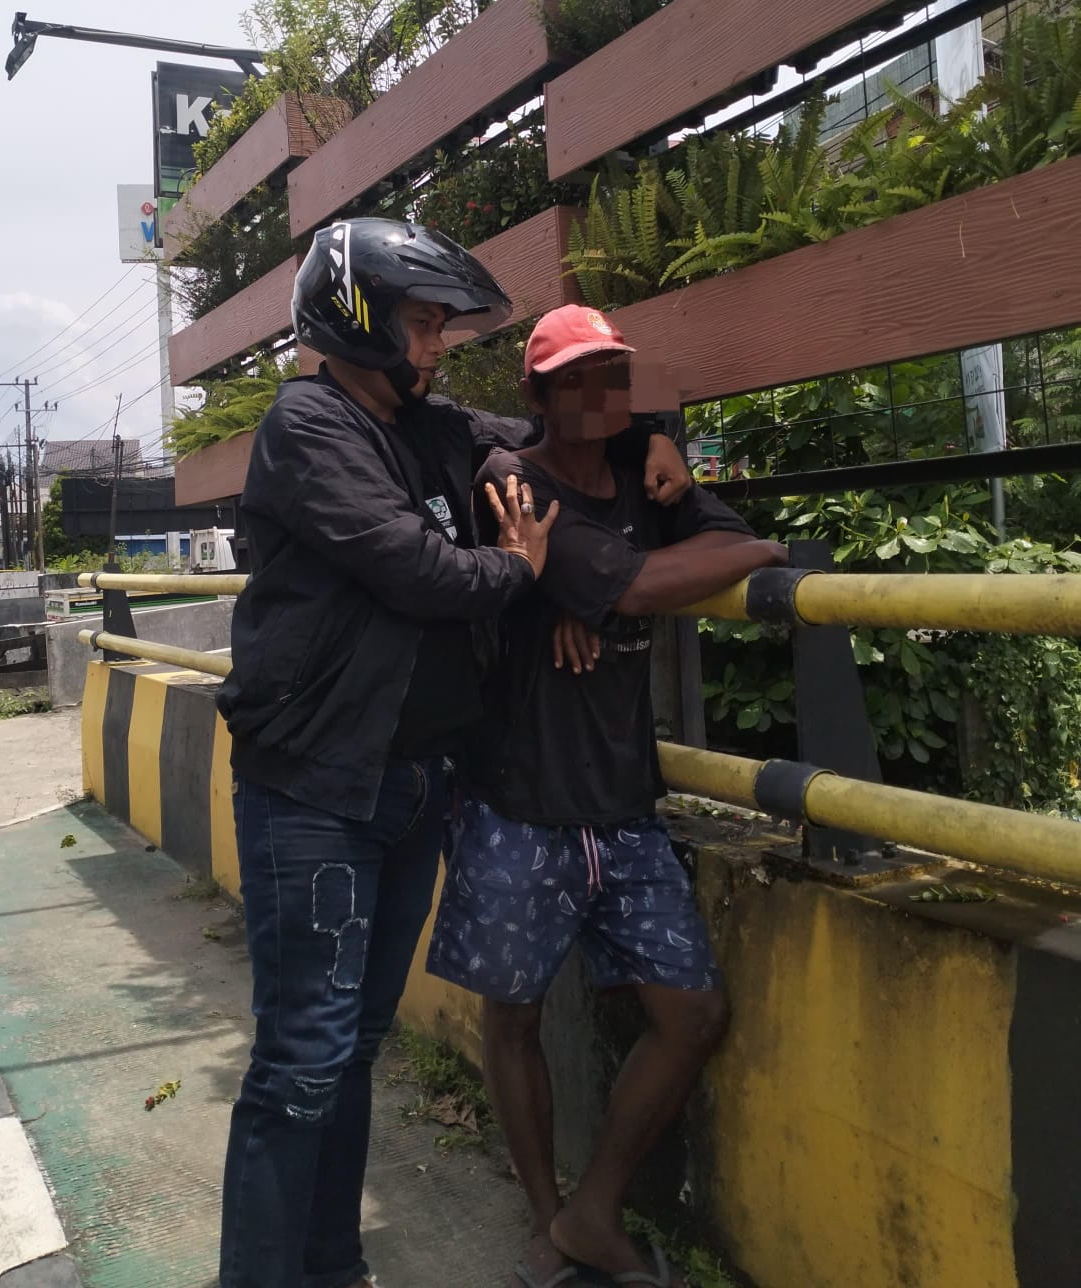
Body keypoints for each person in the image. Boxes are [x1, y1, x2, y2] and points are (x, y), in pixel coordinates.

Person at [216, 221, 691, 1288]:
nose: (437, 345)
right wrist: (521, 572)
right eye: (424, 323)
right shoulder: (310, 426)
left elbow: (557, 423)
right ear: (359, 319)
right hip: (318, 789)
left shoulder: (429, 425)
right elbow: (419, 571)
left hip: (413, 783)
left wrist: (653, 432)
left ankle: (330, 1265)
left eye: (440, 324)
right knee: (302, 1060)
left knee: (351, 1046)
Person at [427, 305, 789, 1288]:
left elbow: (707, 535)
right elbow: (632, 586)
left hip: (623, 804)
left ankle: (592, 1211)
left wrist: (677, 488)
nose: (600, 394)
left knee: (693, 1013)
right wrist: (737, 558)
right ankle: (547, 1221)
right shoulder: (512, 480)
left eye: (613, 376)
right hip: (516, 798)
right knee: (514, 1018)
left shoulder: (644, 474)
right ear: (537, 395)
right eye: (576, 379)